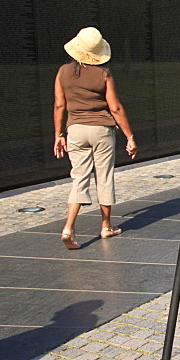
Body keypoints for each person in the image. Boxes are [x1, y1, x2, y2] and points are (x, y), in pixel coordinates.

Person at [53, 27, 137, 250]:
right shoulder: (104, 74)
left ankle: (68, 227)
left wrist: (58, 134)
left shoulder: (62, 72)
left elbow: (59, 105)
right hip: (101, 130)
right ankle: (106, 226)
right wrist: (129, 136)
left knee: (79, 178)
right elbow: (116, 108)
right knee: (104, 176)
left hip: (75, 130)